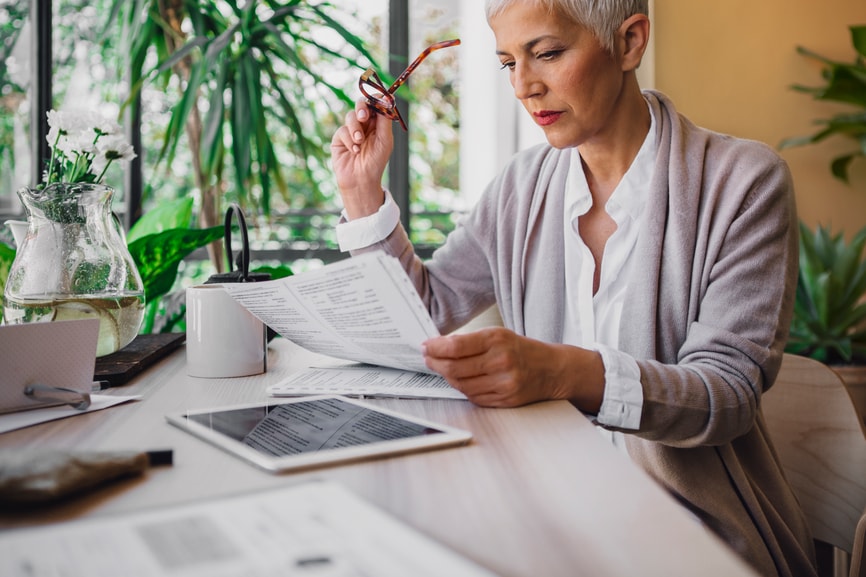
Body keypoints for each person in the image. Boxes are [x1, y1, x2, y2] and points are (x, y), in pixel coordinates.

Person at [330, 1, 817, 575]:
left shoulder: (744, 183)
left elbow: (725, 396)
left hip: (694, 540)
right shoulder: (519, 188)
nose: (525, 87)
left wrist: (564, 373)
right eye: (508, 63)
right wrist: (362, 194)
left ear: (630, 43)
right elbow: (425, 312)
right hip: (547, 516)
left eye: (548, 53)